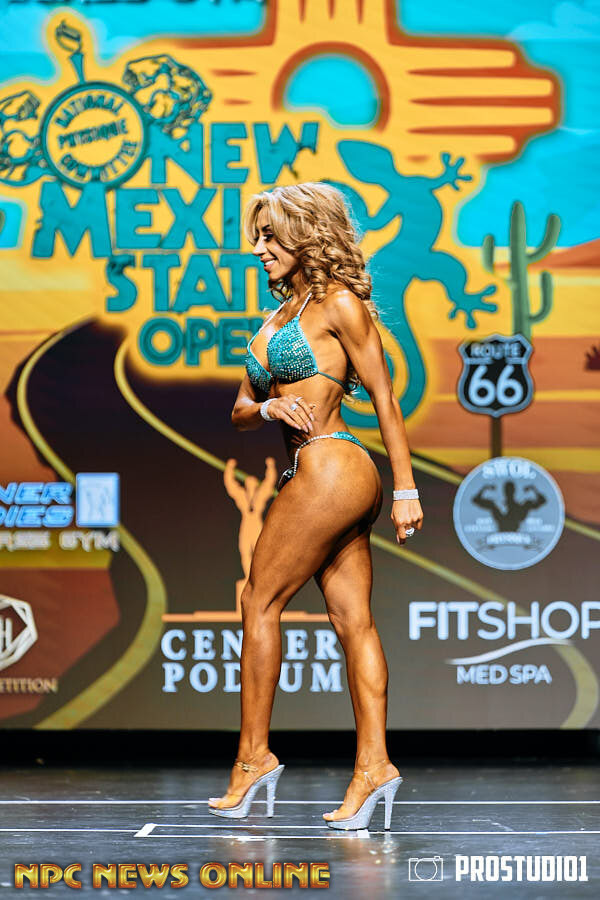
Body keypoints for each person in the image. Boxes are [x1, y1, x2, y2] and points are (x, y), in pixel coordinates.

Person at [208, 183, 423, 830]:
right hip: (323, 471)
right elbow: (240, 410)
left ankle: (253, 757)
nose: (259, 248)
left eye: (270, 236)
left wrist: (407, 488)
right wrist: (269, 406)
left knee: (259, 600)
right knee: (353, 621)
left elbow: (384, 397)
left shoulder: (339, 304)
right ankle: (374, 766)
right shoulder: (280, 316)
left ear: (306, 236)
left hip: (333, 464)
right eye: (257, 237)